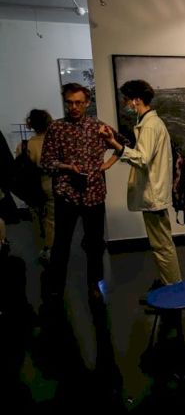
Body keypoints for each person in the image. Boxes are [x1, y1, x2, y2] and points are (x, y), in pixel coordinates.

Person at [40, 82, 126, 305]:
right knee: (61, 244)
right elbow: (46, 162)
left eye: (78, 103)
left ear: (87, 103)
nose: (74, 107)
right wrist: (67, 167)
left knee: (95, 244)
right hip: (66, 194)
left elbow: (123, 144)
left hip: (93, 193)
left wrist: (107, 164)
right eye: (70, 103)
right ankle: (56, 288)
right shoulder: (56, 128)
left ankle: (94, 284)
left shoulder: (98, 126)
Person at [100, 79, 182, 291]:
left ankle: (173, 287)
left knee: (161, 245)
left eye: (126, 99)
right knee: (162, 243)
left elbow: (142, 158)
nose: (125, 104)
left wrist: (115, 145)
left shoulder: (150, 126)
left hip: (154, 195)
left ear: (136, 100)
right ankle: (169, 282)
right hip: (154, 192)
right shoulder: (149, 123)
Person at [15, 109, 54, 264]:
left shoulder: (23, 146)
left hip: (31, 186)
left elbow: (19, 168)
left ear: (30, 124)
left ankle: (42, 247)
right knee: (51, 218)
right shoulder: (52, 144)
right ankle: (51, 248)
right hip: (49, 183)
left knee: (36, 218)